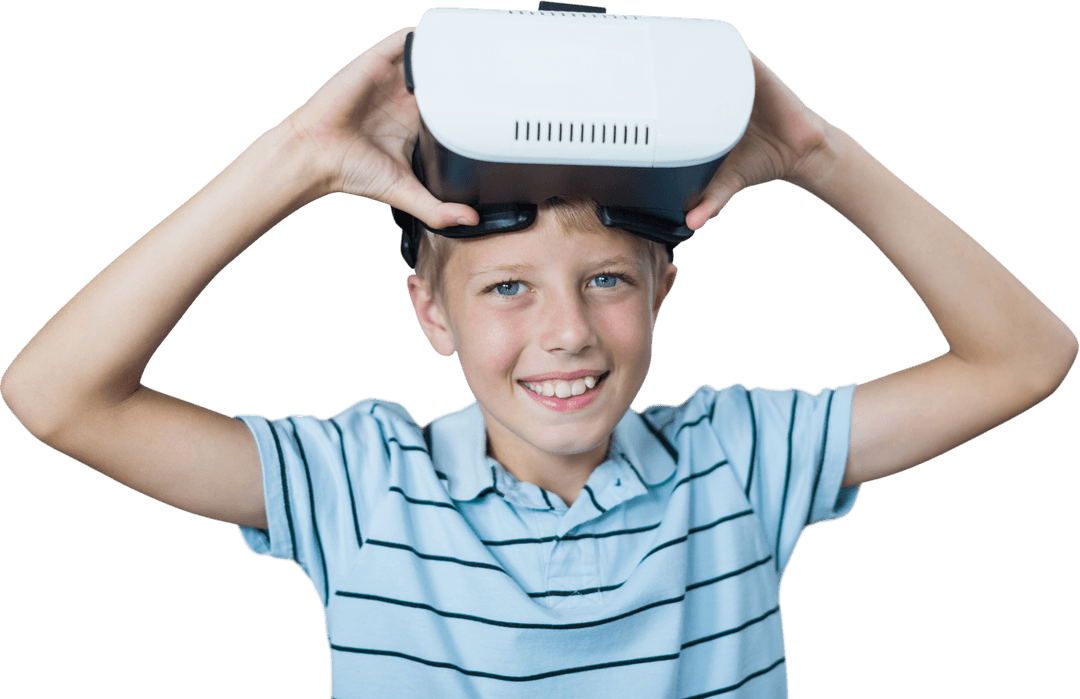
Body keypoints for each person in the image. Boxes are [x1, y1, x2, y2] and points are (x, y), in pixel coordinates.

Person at [2, 22, 1075, 699]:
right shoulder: (361, 487)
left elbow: (1026, 358)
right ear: (432, 312)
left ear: (662, 293)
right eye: (507, 287)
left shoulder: (742, 462)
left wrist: (819, 156)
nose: (565, 331)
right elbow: (52, 396)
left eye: (605, 279)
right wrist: (292, 161)